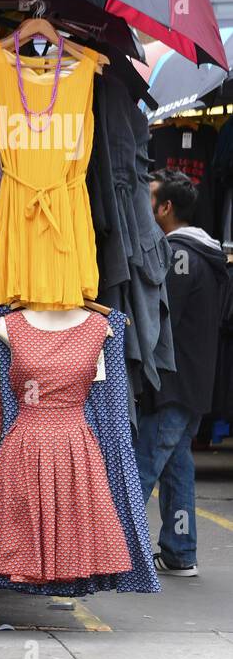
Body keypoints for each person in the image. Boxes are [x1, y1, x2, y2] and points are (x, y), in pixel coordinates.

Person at [137, 169, 229, 577]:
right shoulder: (208, 256)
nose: (144, 204)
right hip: (193, 385)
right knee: (177, 468)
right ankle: (180, 552)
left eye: (150, 197)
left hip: (172, 384)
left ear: (166, 208)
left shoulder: (177, 256)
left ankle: (116, 552)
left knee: (143, 468)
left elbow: (159, 317)